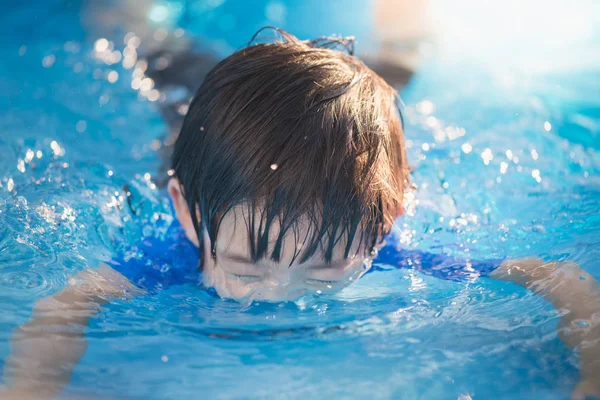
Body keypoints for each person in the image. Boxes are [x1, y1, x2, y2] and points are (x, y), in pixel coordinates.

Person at [2, 30, 599, 400]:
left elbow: (558, 279)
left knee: (391, 82)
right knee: (155, 56)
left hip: (341, 161)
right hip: (204, 137)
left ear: (384, 224)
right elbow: (68, 305)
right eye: (245, 266)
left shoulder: (375, 229)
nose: (279, 295)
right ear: (187, 216)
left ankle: (402, 36)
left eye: (324, 269)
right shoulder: (174, 246)